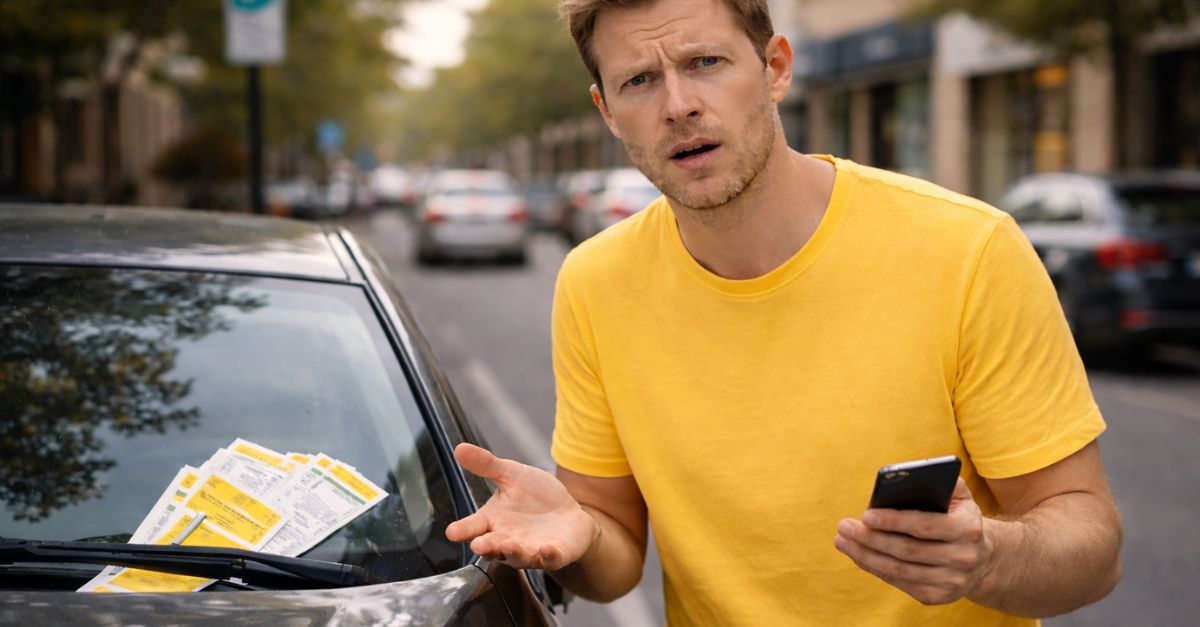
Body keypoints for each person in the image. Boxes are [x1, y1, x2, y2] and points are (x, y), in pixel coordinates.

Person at [445, 0, 1124, 624]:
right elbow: (614, 561)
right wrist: (583, 532)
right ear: (607, 110)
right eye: (640, 82)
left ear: (774, 69)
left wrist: (986, 557)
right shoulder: (595, 280)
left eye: (704, 63)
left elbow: (1092, 547)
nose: (679, 105)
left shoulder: (970, 250)